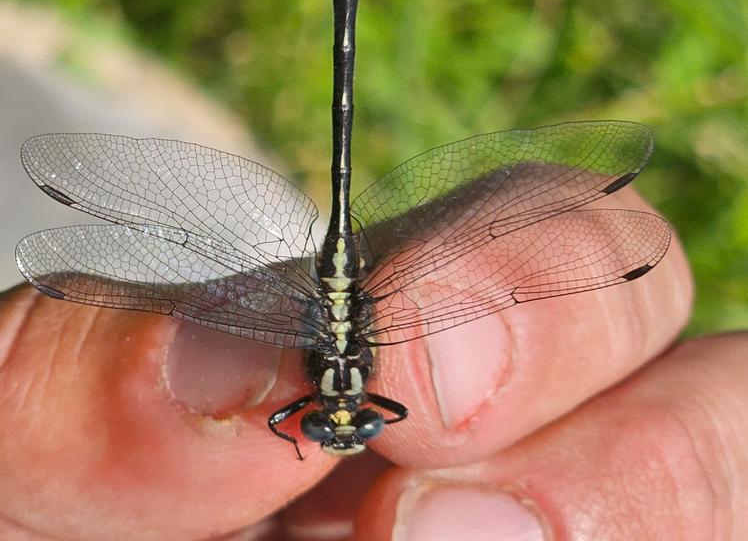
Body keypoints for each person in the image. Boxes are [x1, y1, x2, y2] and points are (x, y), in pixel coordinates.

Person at [1, 188, 743, 540]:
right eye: (348, 420)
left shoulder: (316, 404)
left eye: (334, 424)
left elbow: (377, 414)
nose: (346, 421)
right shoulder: (322, 397)